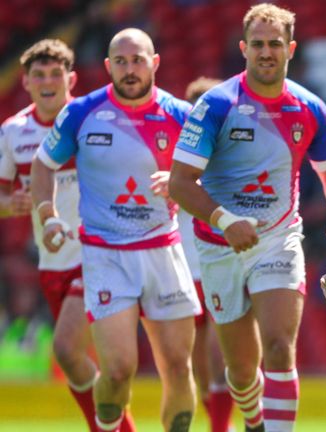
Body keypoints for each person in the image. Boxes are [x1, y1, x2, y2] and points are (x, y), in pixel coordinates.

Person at [168, 4, 326, 432]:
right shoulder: (216, 105)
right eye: (259, 44)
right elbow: (180, 183)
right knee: (242, 372)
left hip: (278, 239)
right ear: (244, 48)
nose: (267, 52)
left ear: (291, 49)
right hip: (219, 246)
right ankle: (253, 420)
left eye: (275, 44)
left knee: (280, 348)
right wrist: (226, 220)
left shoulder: (311, 108)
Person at [30, 29, 201, 432]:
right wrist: (47, 214)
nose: (130, 69)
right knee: (120, 370)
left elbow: (216, 171)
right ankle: (107, 426)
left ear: (154, 62)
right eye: (120, 62)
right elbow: (42, 165)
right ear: (108, 66)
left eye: (138, 60)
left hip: (164, 250)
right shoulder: (81, 113)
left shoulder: (180, 114)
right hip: (106, 255)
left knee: (178, 366)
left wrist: (181, 180)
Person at [0, 39, 135, 432]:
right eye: (38, 75)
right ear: (24, 82)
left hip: (101, 254)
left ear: (71, 78)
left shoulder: (95, 120)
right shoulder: (12, 133)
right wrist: (15, 203)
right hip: (53, 259)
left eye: (55, 73)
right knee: (75, 359)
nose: (47, 81)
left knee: (68, 348)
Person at [182, 76, 234, 432]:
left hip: (222, 263)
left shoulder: (234, 156)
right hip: (183, 269)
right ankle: (222, 422)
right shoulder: (179, 158)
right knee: (196, 362)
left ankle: (222, 425)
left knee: (222, 356)